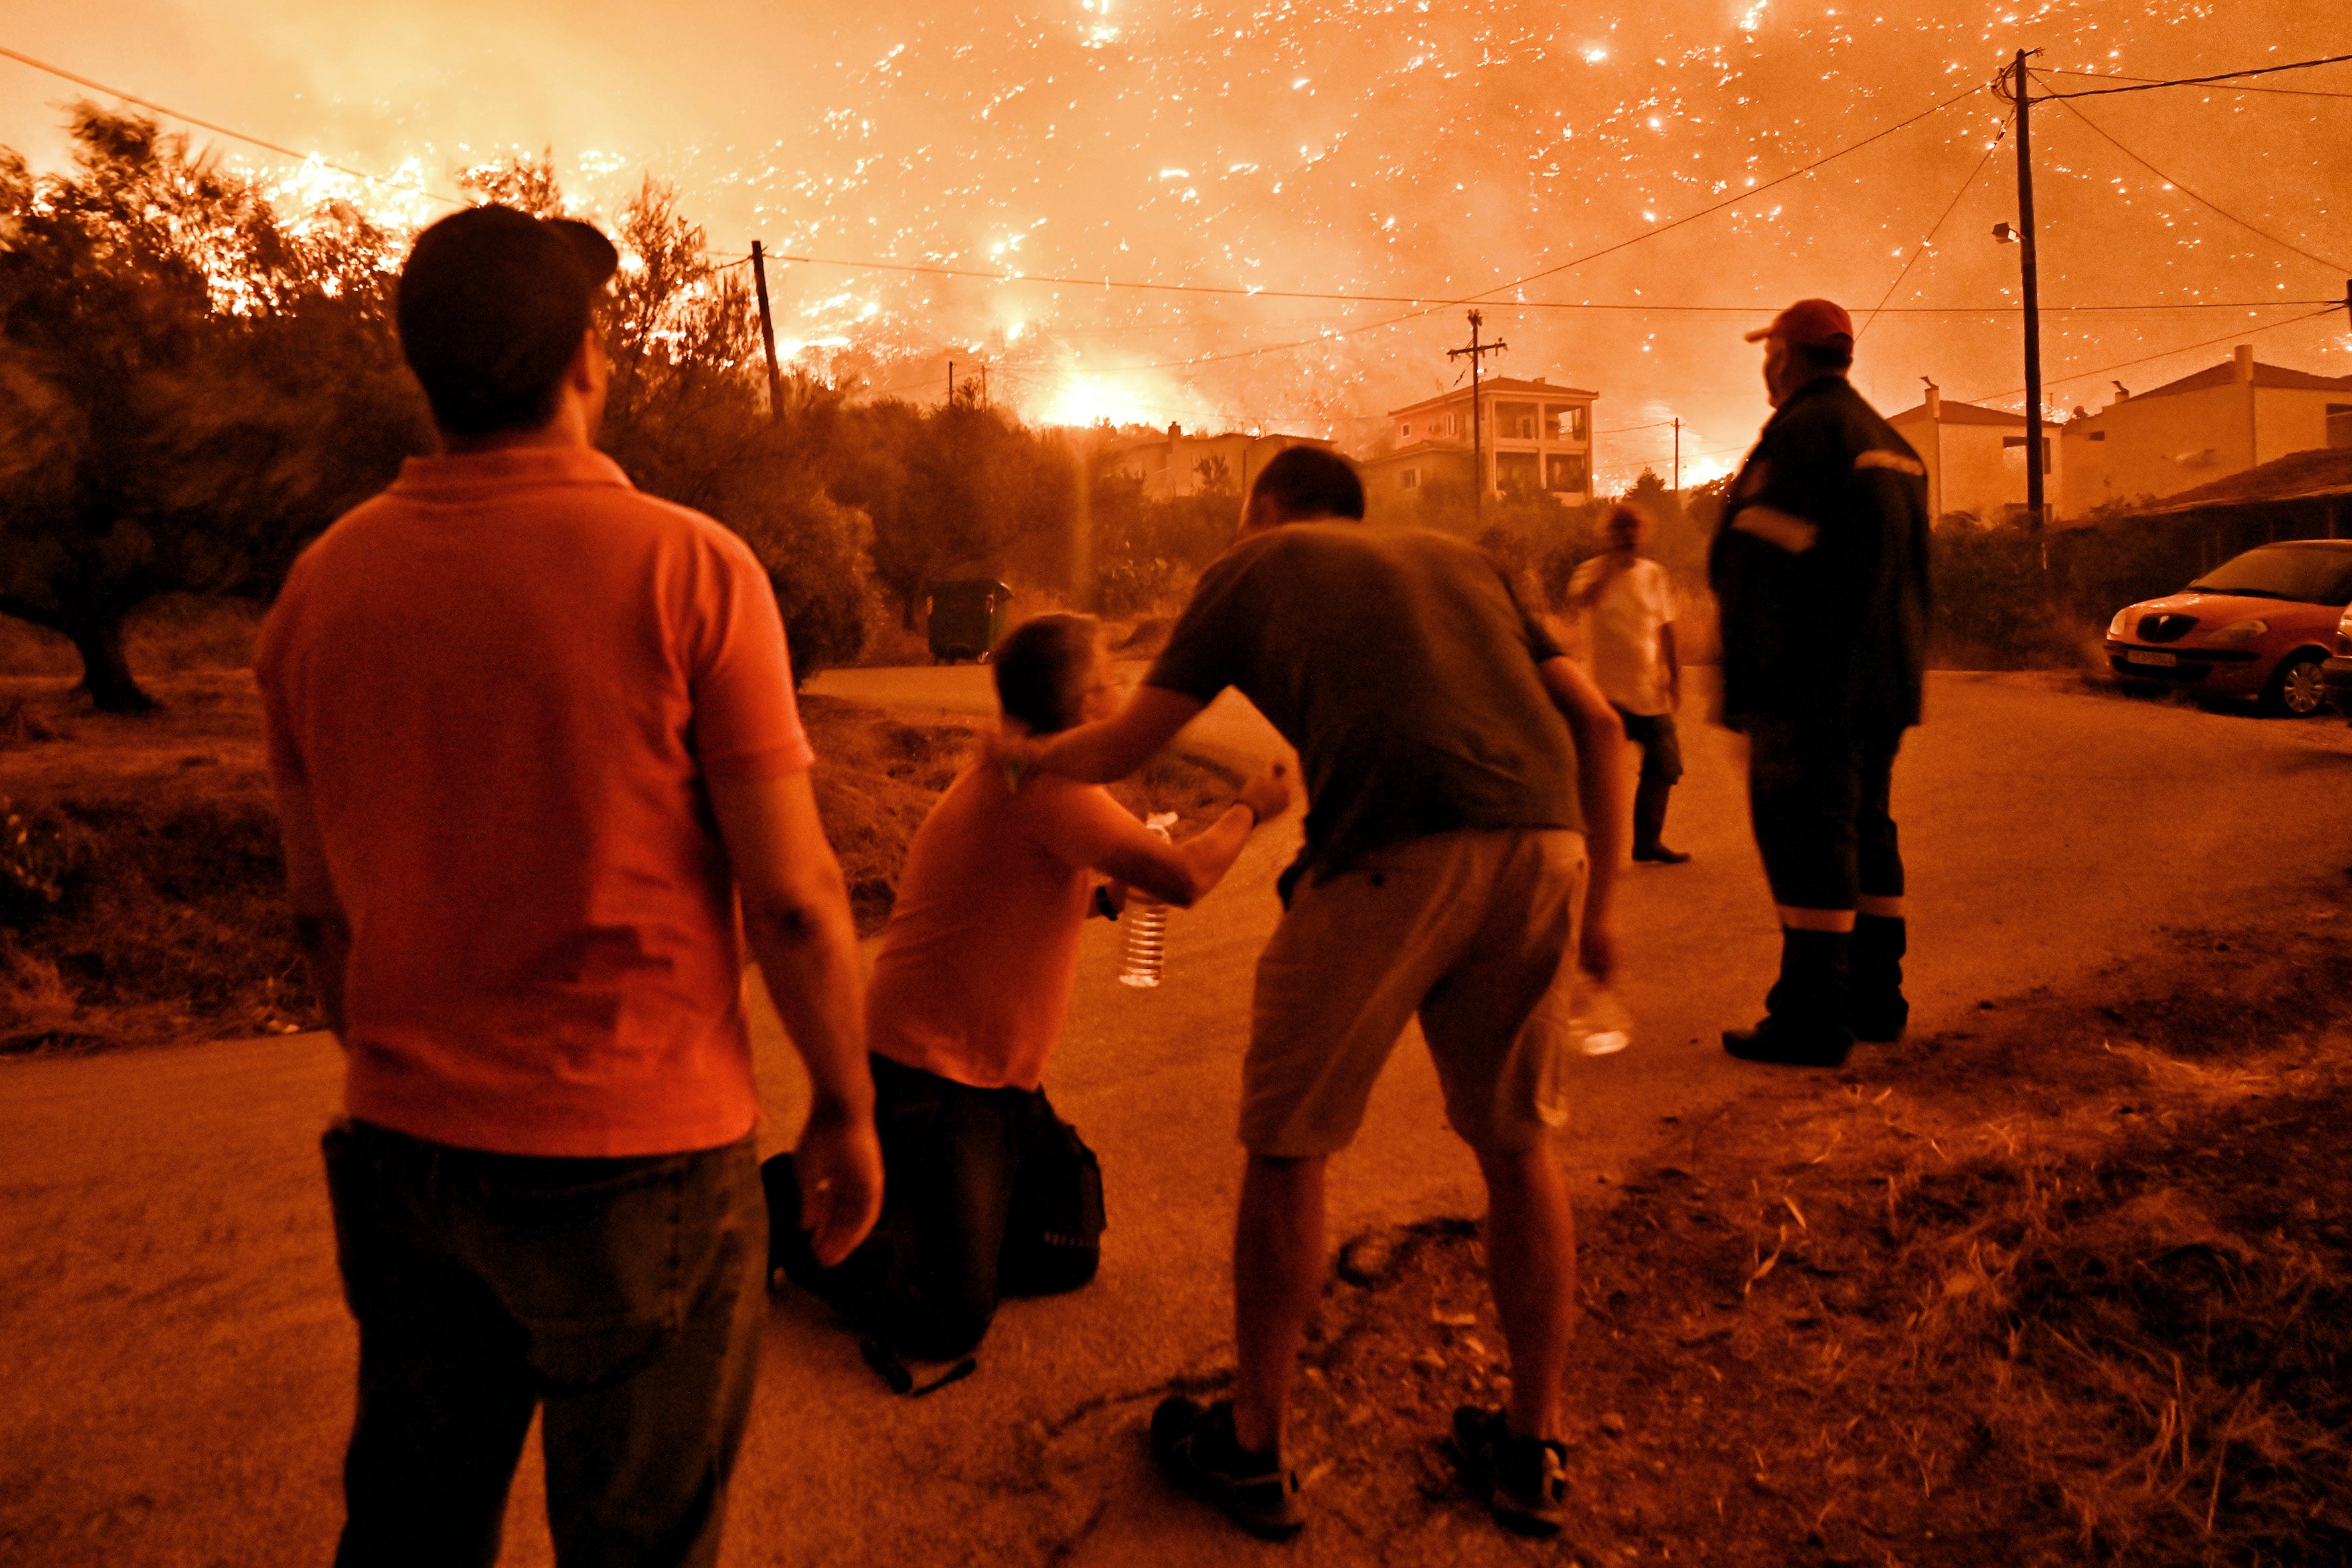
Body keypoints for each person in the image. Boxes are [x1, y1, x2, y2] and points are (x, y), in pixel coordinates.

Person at [254, 204, 883, 1568]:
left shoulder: (319, 586)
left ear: (422, 368)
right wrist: (843, 1104)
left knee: (413, 1522)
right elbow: (791, 899)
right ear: (587, 359)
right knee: (638, 1540)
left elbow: (319, 914)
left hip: (405, 1147)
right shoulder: (689, 567)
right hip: (637, 1155)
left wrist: (404, 1069)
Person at [999, 446, 1627, 1540]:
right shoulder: (1465, 561)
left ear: (1266, 512)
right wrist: (1604, 908)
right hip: (1547, 847)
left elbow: (1122, 741)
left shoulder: (1256, 565)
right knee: (1518, 1145)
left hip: (1392, 847)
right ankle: (1533, 1446)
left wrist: (1020, 755)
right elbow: (1602, 725)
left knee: (1289, 1142)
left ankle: (1251, 1447)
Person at [771, 613, 1292, 1363]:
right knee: (945, 1321)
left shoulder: (1024, 774)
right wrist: (1250, 807)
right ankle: (781, 1209)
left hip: (998, 1078)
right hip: (935, 1077)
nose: (1121, 699)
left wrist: (1106, 899)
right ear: (1085, 706)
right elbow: (1184, 878)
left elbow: (1015, 892)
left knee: (1064, 1249)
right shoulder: (1045, 783)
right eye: (1111, 685)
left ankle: (927, 1215)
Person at [1708, 297, 1932, 1069]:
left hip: (1811, 686)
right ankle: (1877, 997)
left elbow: (1760, 567)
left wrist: (1746, 691)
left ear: (1788, 355)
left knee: (1809, 840)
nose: (1765, 364)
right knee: (1867, 832)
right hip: (1884, 682)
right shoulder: (1892, 441)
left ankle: (1812, 1015)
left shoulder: (1804, 433)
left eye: (1768, 350)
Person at [1565, 502, 1689, 864]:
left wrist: (1675, 676)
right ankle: (1587, 850)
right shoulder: (1589, 572)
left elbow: (1666, 627)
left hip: (1647, 689)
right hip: (1604, 694)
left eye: (1634, 531)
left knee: (1665, 764)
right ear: (1609, 536)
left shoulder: (1654, 575)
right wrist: (1609, 568)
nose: (1629, 538)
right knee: (1598, 776)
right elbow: (1583, 601)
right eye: (1621, 532)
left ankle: (1647, 842)